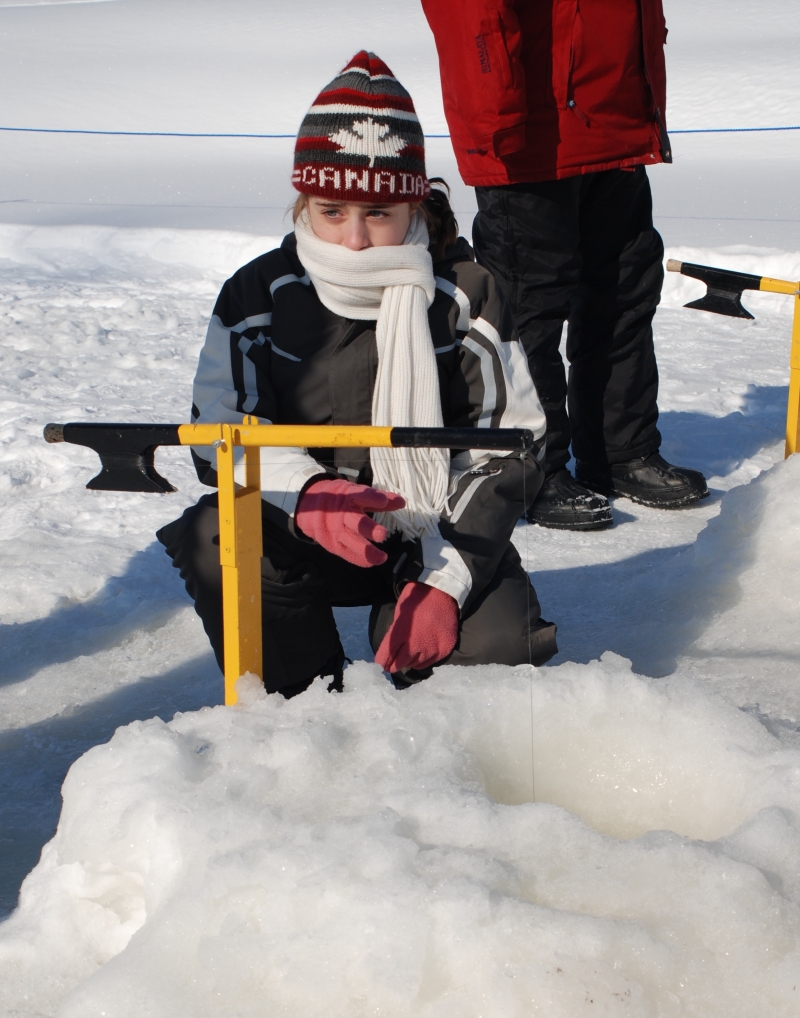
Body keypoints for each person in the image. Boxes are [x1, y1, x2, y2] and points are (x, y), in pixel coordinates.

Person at [157, 51, 557, 698]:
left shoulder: (467, 294)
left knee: (495, 648)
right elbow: (219, 430)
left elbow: (510, 448)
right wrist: (307, 494)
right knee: (215, 532)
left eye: (377, 214)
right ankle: (300, 707)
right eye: (332, 212)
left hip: (429, 529)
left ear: (415, 210)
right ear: (303, 203)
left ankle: (427, 721)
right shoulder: (257, 294)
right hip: (306, 525)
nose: (355, 242)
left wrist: (441, 583)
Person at [420, 0, 709, 530]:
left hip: (613, 119)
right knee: (529, 306)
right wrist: (494, 123)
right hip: (530, 131)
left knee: (624, 291)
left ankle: (621, 453)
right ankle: (531, 466)